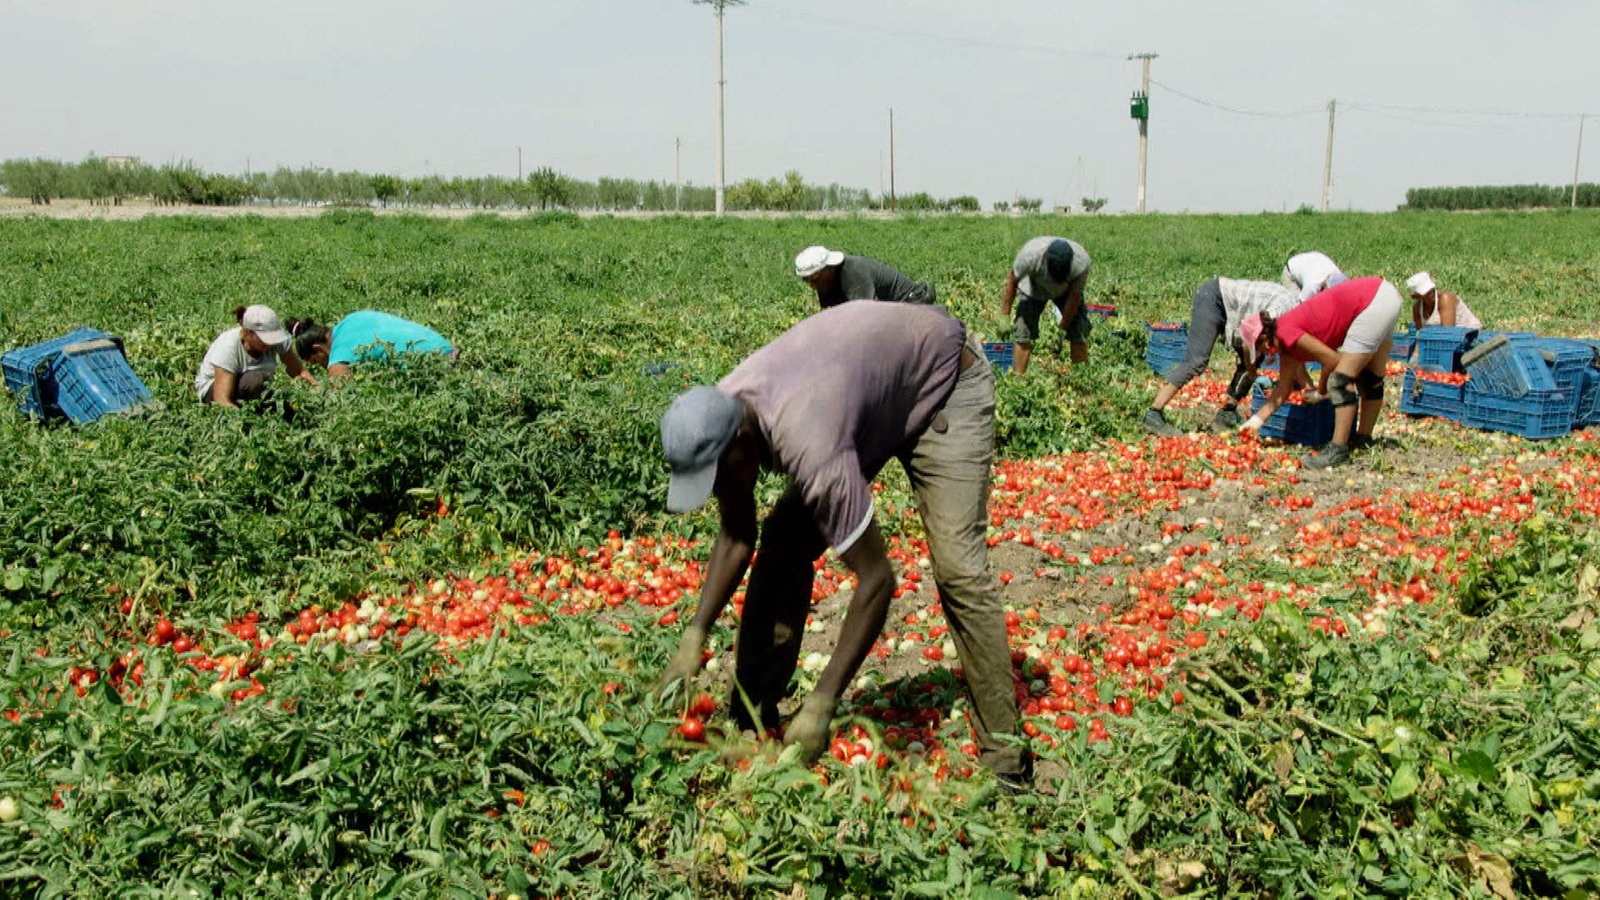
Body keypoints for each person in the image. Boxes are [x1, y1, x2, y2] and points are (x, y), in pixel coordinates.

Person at [653, 301, 1029, 788]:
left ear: (742, 443)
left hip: (943, 385)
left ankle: (1007, 761)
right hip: (870, 393)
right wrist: (694, 635)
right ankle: (755, 715)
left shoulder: (810, 444)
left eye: (719, 478)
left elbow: (877, 580)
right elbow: (737, 535)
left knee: (959, 568)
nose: (720, 492)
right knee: (784, 539)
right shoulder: (724, 411)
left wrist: (823, 701)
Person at [1239, 276, 1404, 469]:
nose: (1261, 355)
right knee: (1370, 379)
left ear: (1265, 340)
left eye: (1258, 350)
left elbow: (1333, 360)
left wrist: (1322, 389)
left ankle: (1338, 450)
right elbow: (1282, 390)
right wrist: (1254, 422)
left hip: (1372, 302)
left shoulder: (1286, 331)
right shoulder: (1285, 342)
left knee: (1340, 380)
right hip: (1383, 295)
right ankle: (1363, 439)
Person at [1142, 277, 1300, 436]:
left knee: (1254, 359)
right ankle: (1153, 413)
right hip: (1214, 298)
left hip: (1239, 311)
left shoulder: (1289, 320)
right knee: (1196, 360)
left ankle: (1227, 413)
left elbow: (1294, 357)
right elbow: (1247, 343)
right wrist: (1251, 368)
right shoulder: (1279, 314)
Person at [1000, 237, 1092, 372]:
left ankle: (1081, 377)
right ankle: (1017, 381)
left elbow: (1074, 298)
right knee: (1023, 332)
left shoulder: (1081, 263)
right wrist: (1004, 316)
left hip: (1065, 291)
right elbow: (1011, 281)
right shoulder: (1029, 256)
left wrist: (1062, 330)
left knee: (1078, 329)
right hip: (1033, 287)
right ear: (1045, 257)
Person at [194, 304, 315, 407]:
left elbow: (298, 372)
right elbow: (221, 400)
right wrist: (245, 422)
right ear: (247, 332)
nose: (270, 343)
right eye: (265, 339)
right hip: (214, 389)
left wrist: (318, 390)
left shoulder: (277, 341)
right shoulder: (228, 346)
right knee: (254, 380)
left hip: (255, 387)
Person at [287, 310, 456, 377]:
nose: (323, 366)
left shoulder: (338, 354)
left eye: (317, 362)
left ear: (318, 349)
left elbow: (338, 396)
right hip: (449, 350)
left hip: (435, 367)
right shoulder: (350, 319)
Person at [793, 245, 937, 308]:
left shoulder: (853, 274)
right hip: (888, 310)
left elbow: (868, 319)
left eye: (814, 280)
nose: (812, 286)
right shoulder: (826, 282)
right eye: (807, 281)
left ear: (828, 269)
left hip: (910, 304)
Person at [1406, 272, 1482, 329]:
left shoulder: (1445, 298)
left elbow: (1447, 333)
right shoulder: (1417, 309)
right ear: (1417, 296)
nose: (1430, 292)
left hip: (1467, 336)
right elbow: (1420, 335)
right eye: (1426, 293)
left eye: (1431, 289)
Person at [1282, 251, 1348, 302]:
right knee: (1294, 304)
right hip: (1291, 271)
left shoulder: (1337, 273)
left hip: (1313, 260)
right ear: (1325, 285)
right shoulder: (1313, 285)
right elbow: (1301, 305)